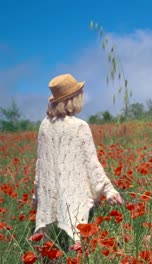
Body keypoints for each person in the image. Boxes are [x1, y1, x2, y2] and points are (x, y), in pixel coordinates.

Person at [32, 73, 124, 250]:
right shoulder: (79, 126)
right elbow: (91, 164)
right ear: (75, 99)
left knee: (49, 248)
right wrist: (108, 190)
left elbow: (40, 165)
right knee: (77, 239)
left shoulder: (44, 125)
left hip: (50, 190)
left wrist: (37, 194)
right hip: (74, 193)